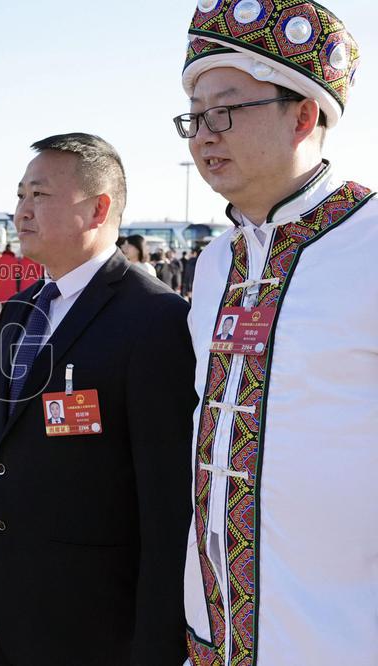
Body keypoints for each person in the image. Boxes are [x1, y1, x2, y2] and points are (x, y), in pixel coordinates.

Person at [0, 134, 196, 664]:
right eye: (20, 195)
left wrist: (156, 646)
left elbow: (166, 503)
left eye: (40, 195)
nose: (20, 211)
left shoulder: (154, 320)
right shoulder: (18, 311)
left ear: (98, 209)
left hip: (87, 627)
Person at [177, 4, 376, 662]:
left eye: (226, 110)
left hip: (339, 635)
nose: (203, 135)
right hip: (217, 634)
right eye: (194, 116)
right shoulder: (213, 264)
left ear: (304, 114)